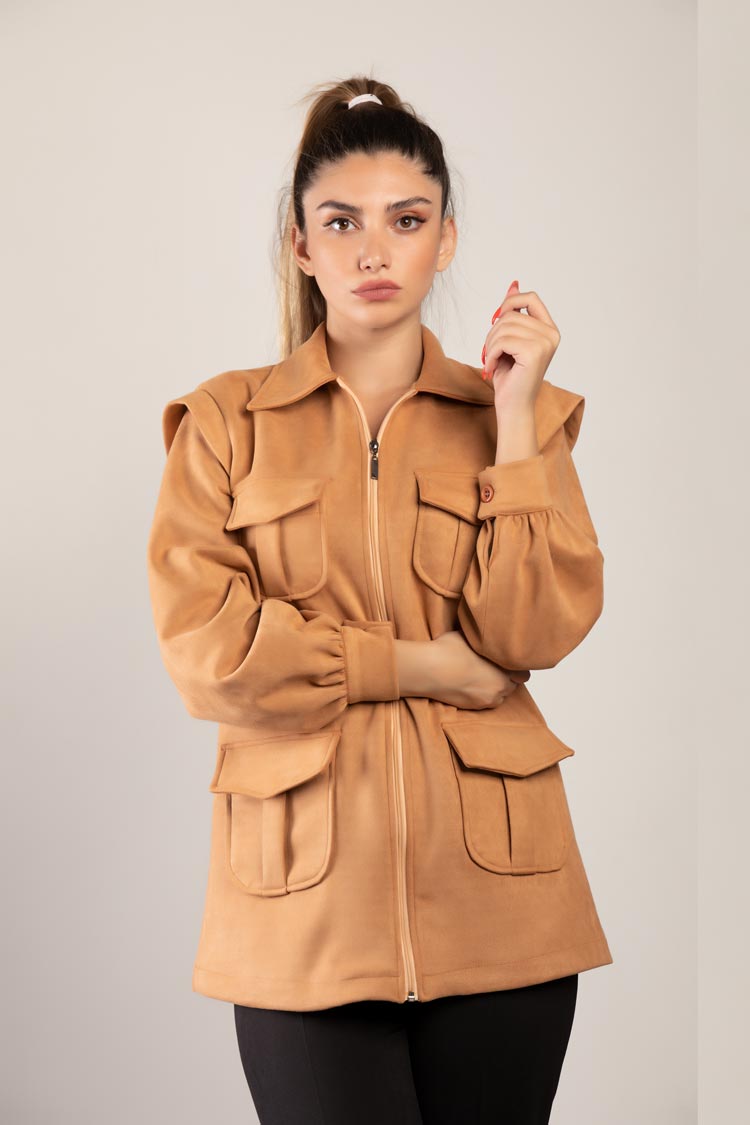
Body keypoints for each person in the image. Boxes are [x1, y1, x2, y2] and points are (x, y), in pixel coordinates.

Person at [146, 76, 613, 1124]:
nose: (372, 251)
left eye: (406, 221)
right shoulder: (224, 424)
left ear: (446, 240)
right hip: (300, 913)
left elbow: (536, 630)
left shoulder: (519, 420)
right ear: (300, 245)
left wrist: (517, 419)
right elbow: (209, 654)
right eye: (340, 222)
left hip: (505, 902)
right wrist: (422, 666)